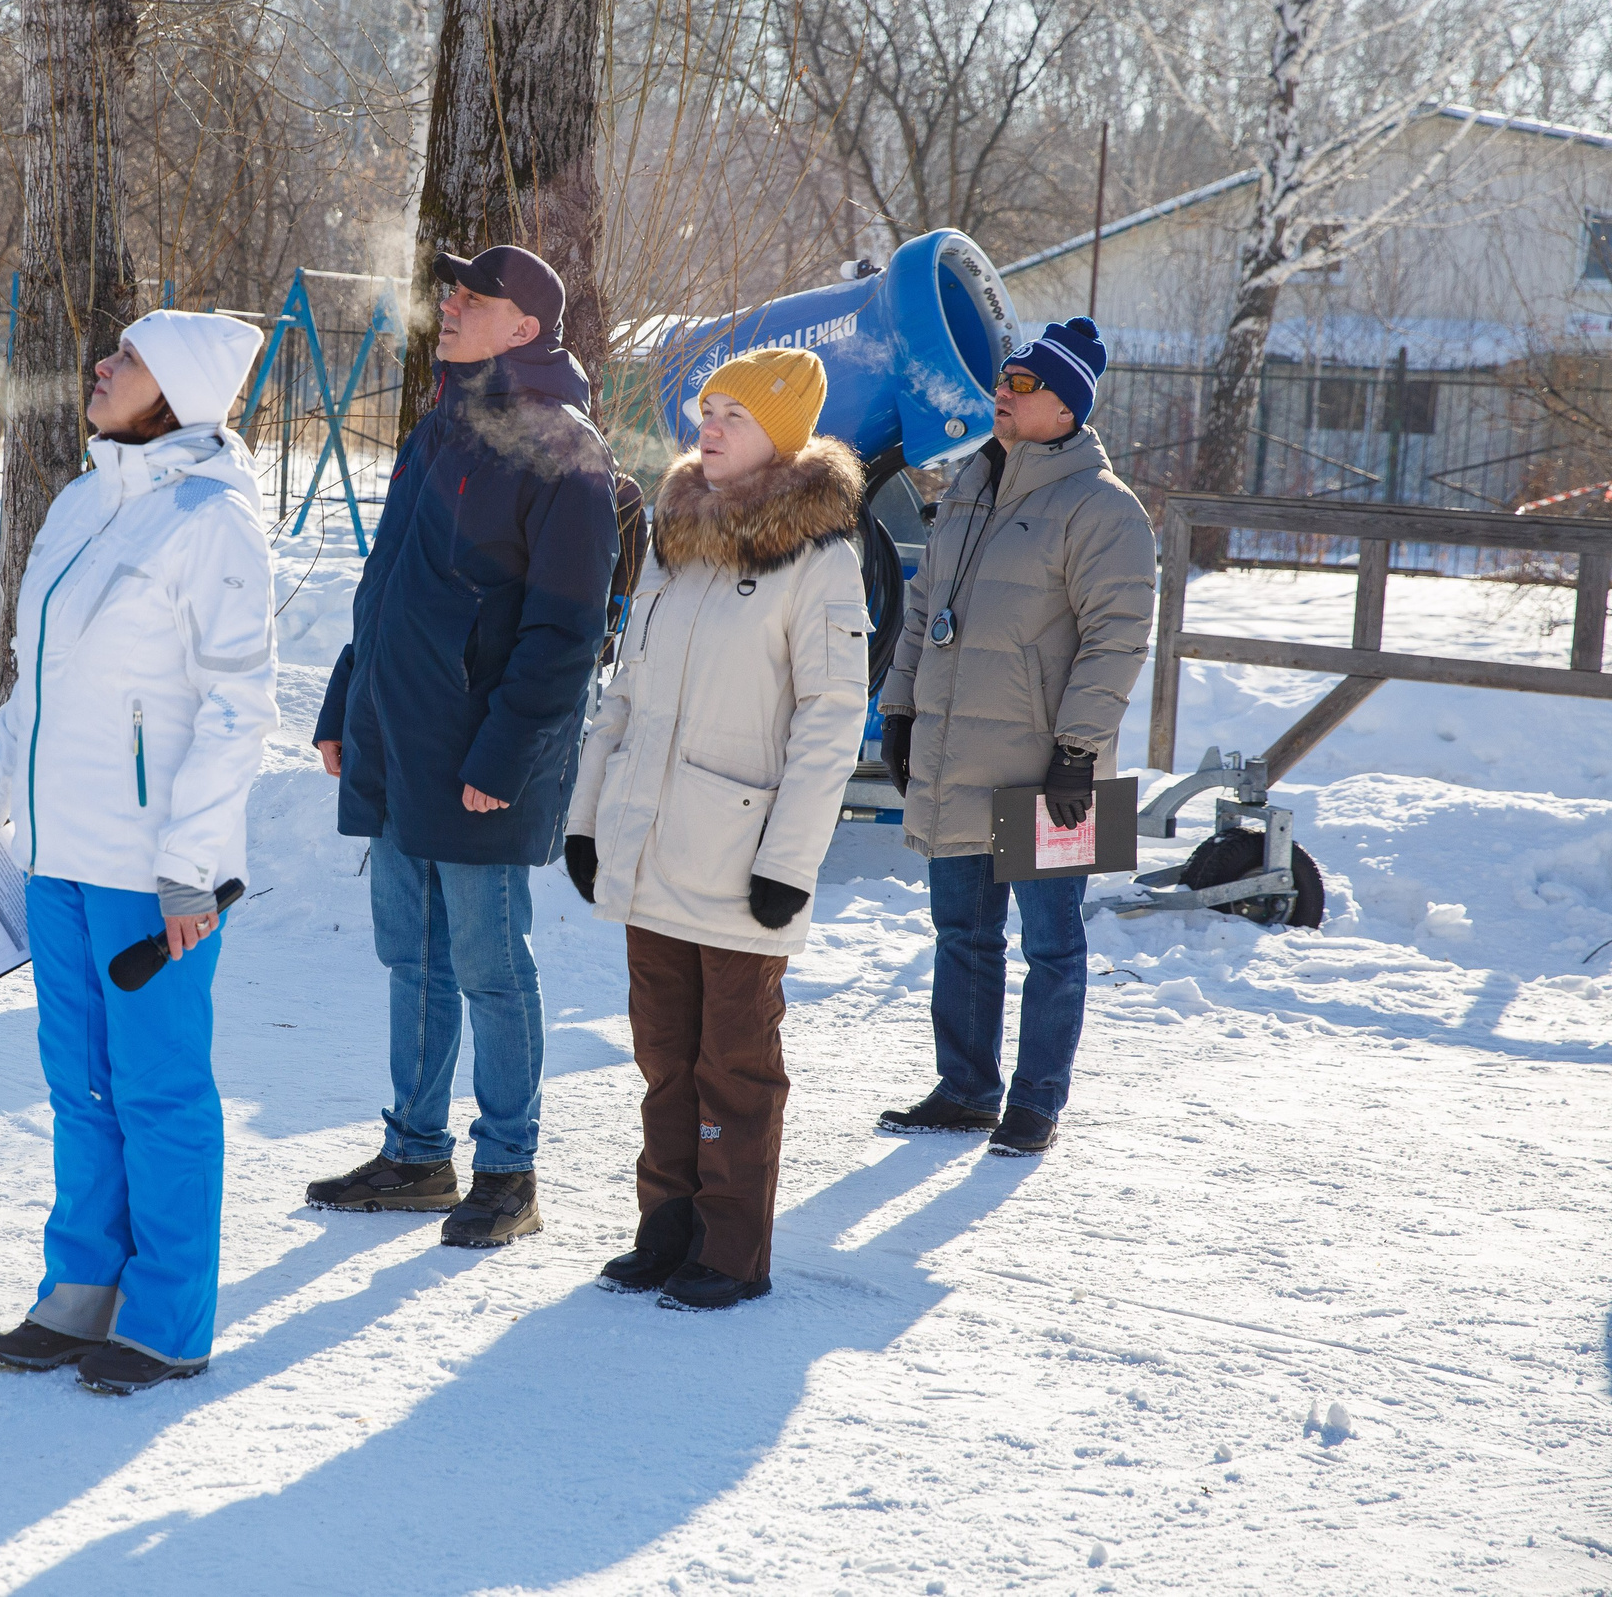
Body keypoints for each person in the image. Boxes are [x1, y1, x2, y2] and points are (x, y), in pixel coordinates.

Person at [0, 309, 275, 1394]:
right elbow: (39, 683)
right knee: (78, 1083)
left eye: (125, 358)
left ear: (173, 388)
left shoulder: (212, 522)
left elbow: (237, 705)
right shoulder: (87, 500)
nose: (100, 365)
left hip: (151, 870)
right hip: (59, 857)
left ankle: (169, 1316)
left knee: (160, 1089)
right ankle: (82, 1291)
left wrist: (193, 862)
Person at [304, 244, 620, 1247]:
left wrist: (504, 758)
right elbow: (388, 586)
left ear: (525, 327)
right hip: (398, 741)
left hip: (484, 757)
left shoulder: (565, 452)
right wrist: (343, 703)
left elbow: (563, 634)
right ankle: (414, 1156)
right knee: (414, 958)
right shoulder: (441, 427)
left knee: (489, 964)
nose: (448, 305)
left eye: (472, 298)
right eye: (449, 292)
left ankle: (509, 1174)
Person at [563, 347, 870, 1310]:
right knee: (662, 1054)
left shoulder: (819, 557)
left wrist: (789, 862)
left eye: (735, 411)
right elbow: (627, 692)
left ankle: (730, 1248)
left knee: (732, 1061)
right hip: (653, 845)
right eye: (708, 406)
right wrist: (586, 819)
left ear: (780, 432)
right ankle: (667, 1228)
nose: (712, 422)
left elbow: (833, 718)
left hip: (743, 858)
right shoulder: (674, 535)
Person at [872, 316, 1155, 1157]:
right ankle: (965, 1090)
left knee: (1053, 943)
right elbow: (924, 606)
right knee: (962, 933)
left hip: (1052, 766)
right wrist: (899, 710)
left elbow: (1117, 638)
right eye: (1003, 379)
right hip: (959, 752)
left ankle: (1036, 1101)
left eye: (1023, 385)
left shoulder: (1104, 509)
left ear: (1066, 406)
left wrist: (1077, 752)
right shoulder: (969, 485)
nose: (1002, 392)